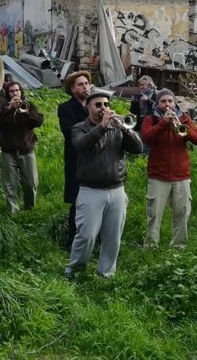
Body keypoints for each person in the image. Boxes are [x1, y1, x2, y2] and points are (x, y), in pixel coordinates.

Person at [65, 88, 143, 279]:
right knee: (86, 235)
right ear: (88, 106)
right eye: (98, 104)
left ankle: (106, 273)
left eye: (106, 104)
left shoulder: (117, 127)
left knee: (113, 237)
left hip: (116, 189)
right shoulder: (79, 128)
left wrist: (124, 128)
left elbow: (138, 148)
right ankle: (74, 270)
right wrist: (101, 127)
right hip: (90, 190)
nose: (103, 108)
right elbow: (81, 145)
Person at [140, 89, 197, 249]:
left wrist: (181, 127)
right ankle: (151, 246)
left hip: (181, 175)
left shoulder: (184, 118)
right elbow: (146, 137)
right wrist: (164, 124)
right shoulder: (150, 119)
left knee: (182, 213)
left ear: (174, 103)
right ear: (157, 104)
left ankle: (179, 246)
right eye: (163, 101)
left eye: (170, 101)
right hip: (158, 175)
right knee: (154, 214)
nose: (167, 104)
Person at [0, 81, 44, 213]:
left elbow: (38, 121)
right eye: (12, 91)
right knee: (10, 185)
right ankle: (12, 212)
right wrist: (9, 109)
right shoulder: (3, 107)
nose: (15, 93)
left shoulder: (28, 105)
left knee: (31, 183)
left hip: (27, 150)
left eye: (17, 90)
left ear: (21, 91)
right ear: (7, 94)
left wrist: (25, 112)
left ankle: (30, 209)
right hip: (8, 151)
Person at [57, 71, 91, 238]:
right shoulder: (65, 108)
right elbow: (69, 132)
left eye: (86, 83)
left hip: (95, 160)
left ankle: (95, 238)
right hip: (76, 160)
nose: (85, 86)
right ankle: (72, 239)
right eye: (80, 84)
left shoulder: (97, 104)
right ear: (72, 89)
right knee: (77, 201)